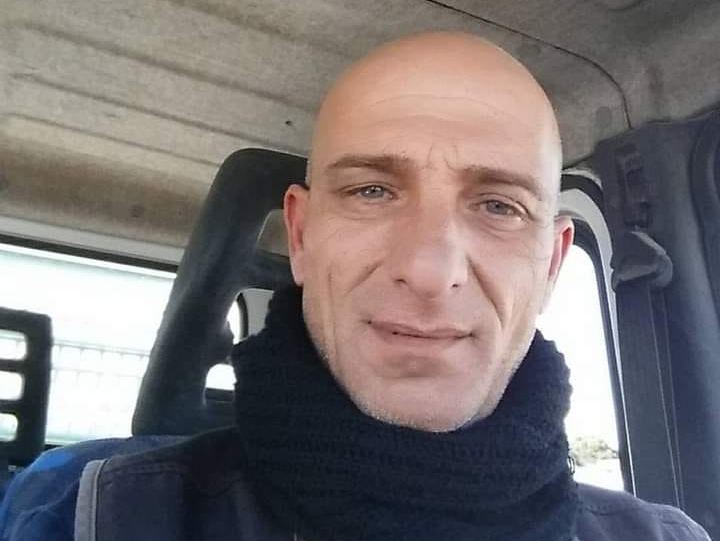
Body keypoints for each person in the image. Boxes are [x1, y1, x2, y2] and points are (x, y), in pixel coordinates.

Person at [0, 32, 710, 541]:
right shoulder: (78, 512)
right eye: (372, 191)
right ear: (301, 236)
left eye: (499, 206)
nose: (429, 269)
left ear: (552, 264)